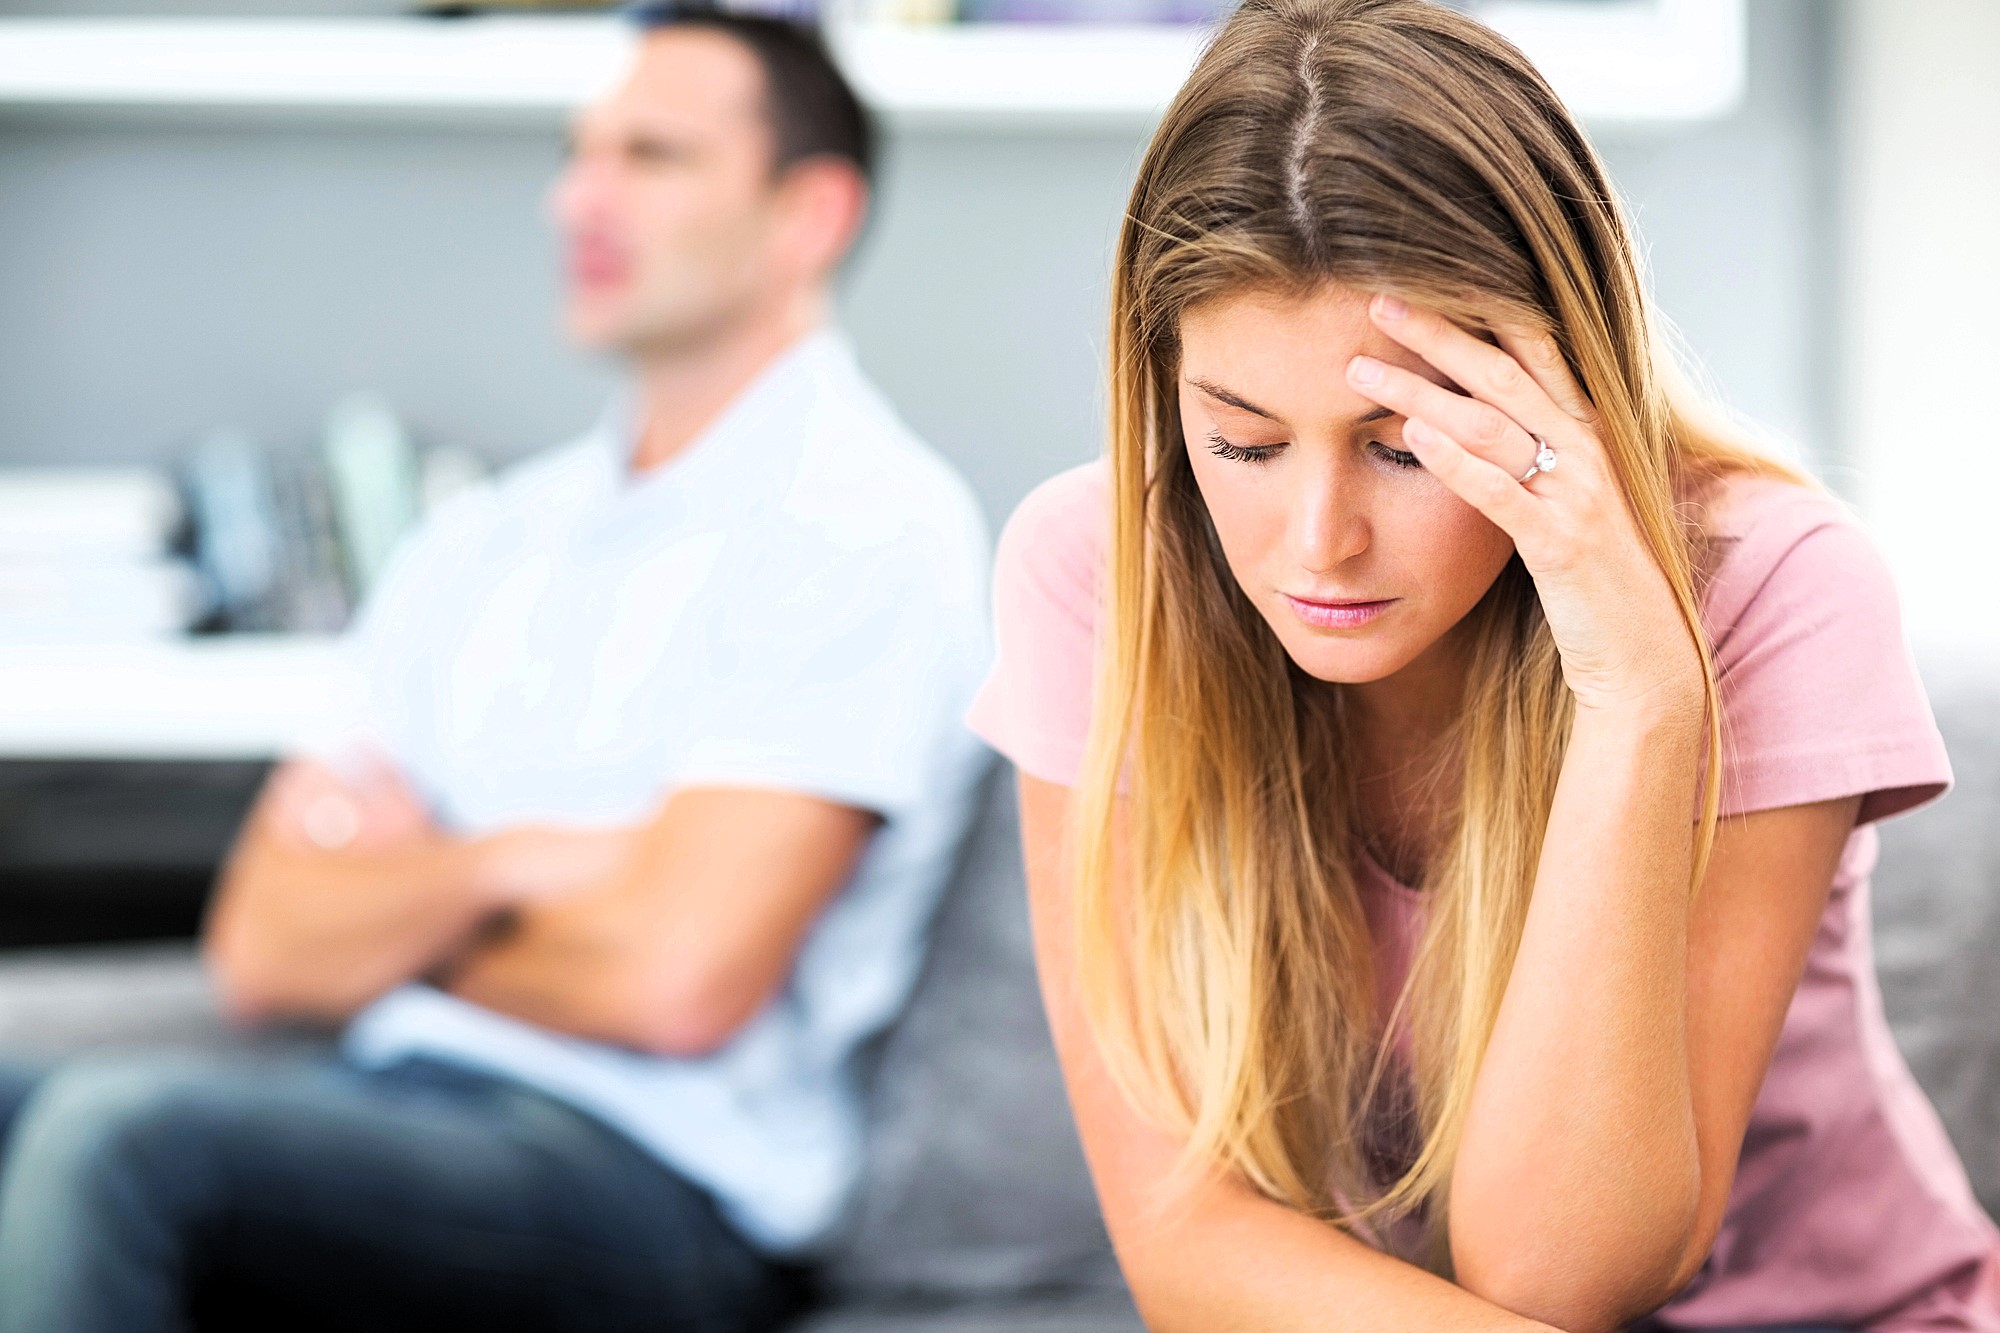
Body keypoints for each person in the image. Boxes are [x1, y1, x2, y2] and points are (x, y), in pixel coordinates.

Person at [966, 1, 2000, 1330]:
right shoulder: (1096, 570)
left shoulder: (1777, 584)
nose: (1320, 544)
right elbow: (1184, 1240)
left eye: (1403, 447)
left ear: (1556, 385)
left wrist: (1638, 694)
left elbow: (1564, 1272)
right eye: (1244, 442)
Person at [0, 9, 991, 1332]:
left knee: (121, 1141)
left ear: (808, 212)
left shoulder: (871, 525)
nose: (578, 197)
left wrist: (392, 918)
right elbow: (259, 940)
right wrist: (510, 862)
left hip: (656, 1182)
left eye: (652, 156)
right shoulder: (488, 535)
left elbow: (675, 980)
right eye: (582, 153)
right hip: (384, 1106)